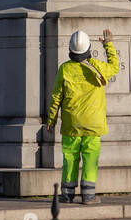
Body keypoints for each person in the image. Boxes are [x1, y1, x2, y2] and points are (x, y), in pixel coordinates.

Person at [46, 28, 120, 206]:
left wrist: (51, 119)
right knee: (90, 159)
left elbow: (56, 96)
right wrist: (108, 45)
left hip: (72, 123)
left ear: (70, 50)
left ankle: (66, 194)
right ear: (88, 49)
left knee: (70, 157)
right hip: (93, 123)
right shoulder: (97, 66)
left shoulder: (65, 69)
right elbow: (115, 66)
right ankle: (88, 195)